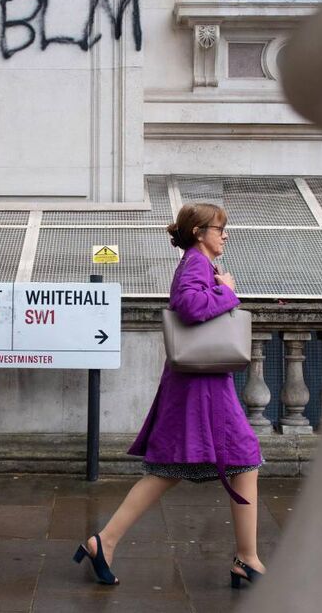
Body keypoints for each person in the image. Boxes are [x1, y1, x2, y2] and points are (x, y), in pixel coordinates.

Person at [72, 203, 266, 589]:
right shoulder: (195, 263)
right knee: (233, 458)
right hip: (200, 386)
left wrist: (219, 286)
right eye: (219, 228)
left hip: (202, 382)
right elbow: (190, 306)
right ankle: (245, 557)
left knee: (194, 464)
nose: (225, 234)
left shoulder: (199, 262)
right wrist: (227, 292)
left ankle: (105, 542)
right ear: (199, 233)